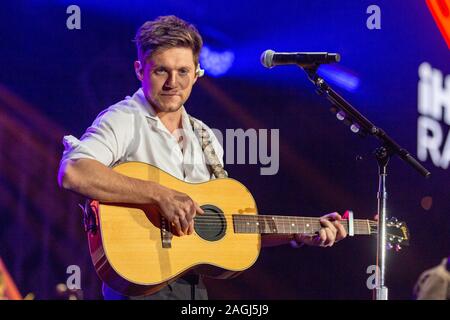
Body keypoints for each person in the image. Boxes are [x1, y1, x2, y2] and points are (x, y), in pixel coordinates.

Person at [57, 15, 347, 300]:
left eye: (183, 71)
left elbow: (228, 225)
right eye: (161, 71)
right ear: (139, 70)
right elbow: (74, 172)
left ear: (197, 73)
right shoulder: (123, 119)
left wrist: (298, 233)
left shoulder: (205, 137)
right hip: (138, 284)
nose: (173, 82)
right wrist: (159, 195)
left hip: (191, 287)